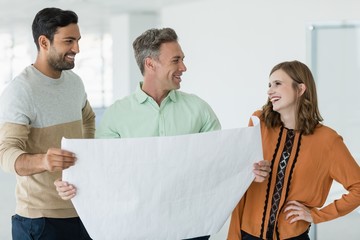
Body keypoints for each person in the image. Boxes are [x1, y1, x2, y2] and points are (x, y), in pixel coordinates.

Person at [55, 27, 270, 240]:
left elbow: (219, 164)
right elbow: (102, 172)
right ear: (150, 64)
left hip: (192, 229)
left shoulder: (199, 109)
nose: (183, 67)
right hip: (137, 230)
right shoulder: (117, 115)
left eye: (182, 59)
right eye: (176, 60)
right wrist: (73, 185)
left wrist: (250, 169)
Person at [227, 60, 360, 240]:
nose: (269, 90)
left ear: (300, 89)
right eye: (269, 85)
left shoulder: (328, 140)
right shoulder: (258, 123)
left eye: (278, 84)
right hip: (247, 234)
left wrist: (316, 216)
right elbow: (239, 183)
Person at [0, 7, 95, 240]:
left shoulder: (74, 83)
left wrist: (84, 154)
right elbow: (5, 153)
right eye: (69, 41)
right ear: (44, 42)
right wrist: (43, 160)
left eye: (78, 40)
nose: (77, 49)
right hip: (39, 221)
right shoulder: (21, 90)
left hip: (81, 210)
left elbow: (89, 118)